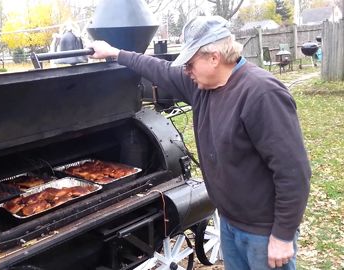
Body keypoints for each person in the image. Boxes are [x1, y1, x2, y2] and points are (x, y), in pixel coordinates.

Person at [89, 16, 311, 270]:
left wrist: (283, 235)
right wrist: (115, 53)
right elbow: (159, 69)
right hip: (230, 222)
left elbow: (293, 173)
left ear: (214, 57)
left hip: (263, 231)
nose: (186, 70)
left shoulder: (262, 93)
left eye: (190, 63)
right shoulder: (201, 86)